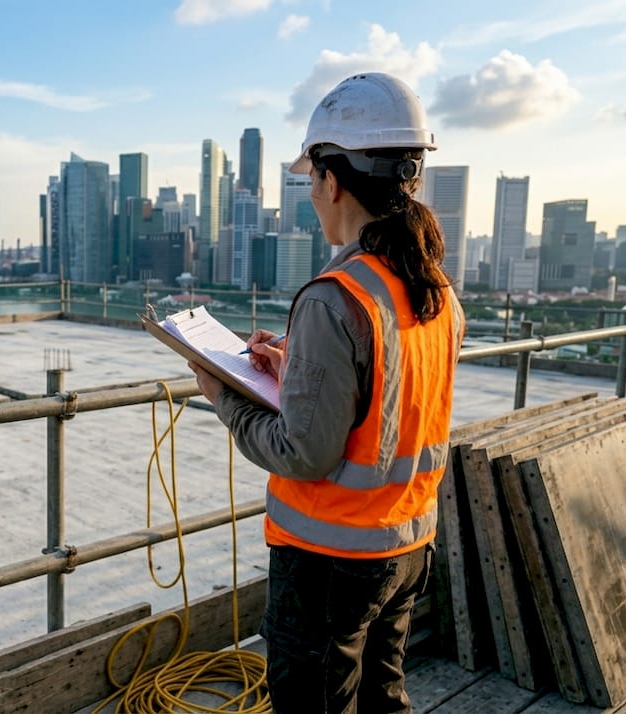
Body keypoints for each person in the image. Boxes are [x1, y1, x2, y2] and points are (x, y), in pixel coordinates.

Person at [189, 72, 464, 713]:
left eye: (310, 181)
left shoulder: (334, 297)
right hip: (405, 545)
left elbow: (305, 453)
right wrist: (299, 367)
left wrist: (223, 394)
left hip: (329, 560)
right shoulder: (436, 291)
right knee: (381, 699)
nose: (311, 195)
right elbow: (387, 393)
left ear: (331, 180)